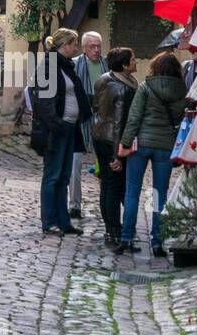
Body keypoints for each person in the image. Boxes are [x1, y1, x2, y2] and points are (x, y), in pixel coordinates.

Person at [117, 51, 188, 257]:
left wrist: (125, 142)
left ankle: (127, 237)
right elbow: (180, 120)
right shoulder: (182, 91)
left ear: (155, 67)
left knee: (132, 192)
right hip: (165, 145)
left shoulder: (146, 87)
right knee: (159, 195)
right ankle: (157, 242)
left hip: (141, 144)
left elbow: (134, 118)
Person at [32, 27, 91, 237]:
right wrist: (57, 125)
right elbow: (44, 102)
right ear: (64, 45)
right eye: (74, 44)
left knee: (64, 176)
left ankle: (63, 221)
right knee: (52, 176)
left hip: (69, 128)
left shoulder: (66, 66)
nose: (76, 48)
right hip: (56, 130)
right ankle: (49, 221)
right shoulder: (48, 67)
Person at [93, 47, 138, 247]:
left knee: (106, 185)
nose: (136, 62)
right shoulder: (124, 88)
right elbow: (119, 122)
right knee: (114, 187)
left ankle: (110, 230)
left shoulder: (104, 78)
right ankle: (115, 231)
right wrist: (117, 156)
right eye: (133, 59)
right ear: (125, 65)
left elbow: (97, 108)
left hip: (99, 136)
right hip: (113, 141)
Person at [69, 31, 104, 219]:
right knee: (75, 163)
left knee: (104, 163)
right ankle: (74, 204)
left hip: (102, 119)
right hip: (79, 119)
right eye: (92, 46)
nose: (96, 50)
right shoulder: (75, 64)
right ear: (84, 48)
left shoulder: (107, 64)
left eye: (99, 46)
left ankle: (105, 201)